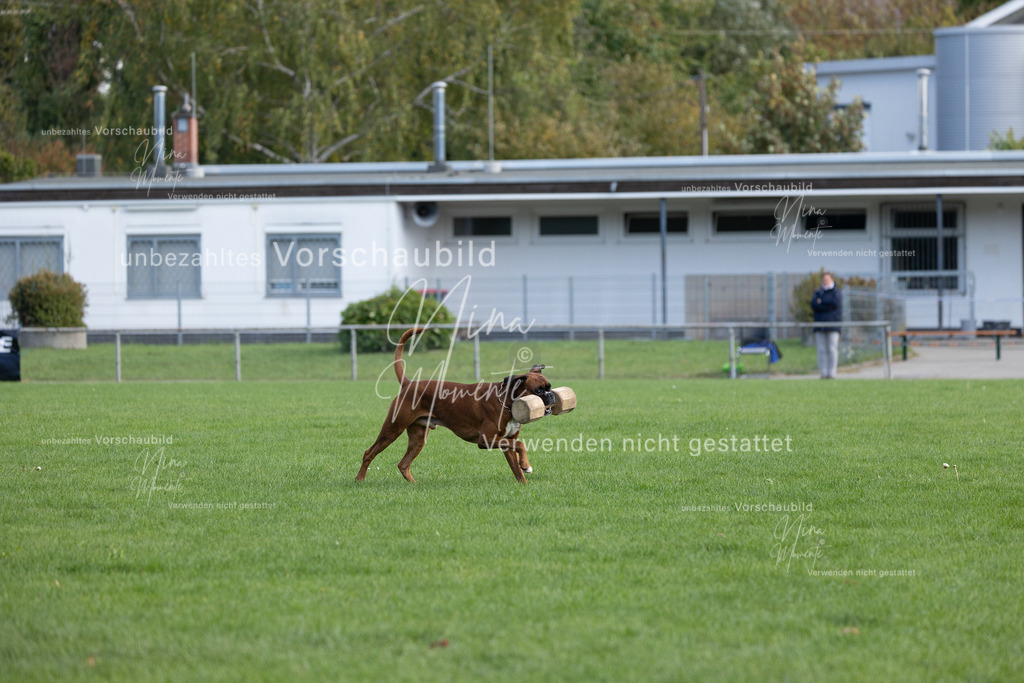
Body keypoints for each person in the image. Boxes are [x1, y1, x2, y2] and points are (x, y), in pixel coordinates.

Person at [811, 272, 842, 379]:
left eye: (827, 279)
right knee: (822, 350)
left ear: (832, 280)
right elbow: (815, 305)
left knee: (832, 349)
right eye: (824, 280)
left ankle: (832, 373)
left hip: (833, 326)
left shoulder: (836, 292)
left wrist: (822, 303)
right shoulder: (818, 292)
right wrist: (826, 305)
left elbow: (835, 303)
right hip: (820, 326)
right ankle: (823, 373)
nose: (825, 281)